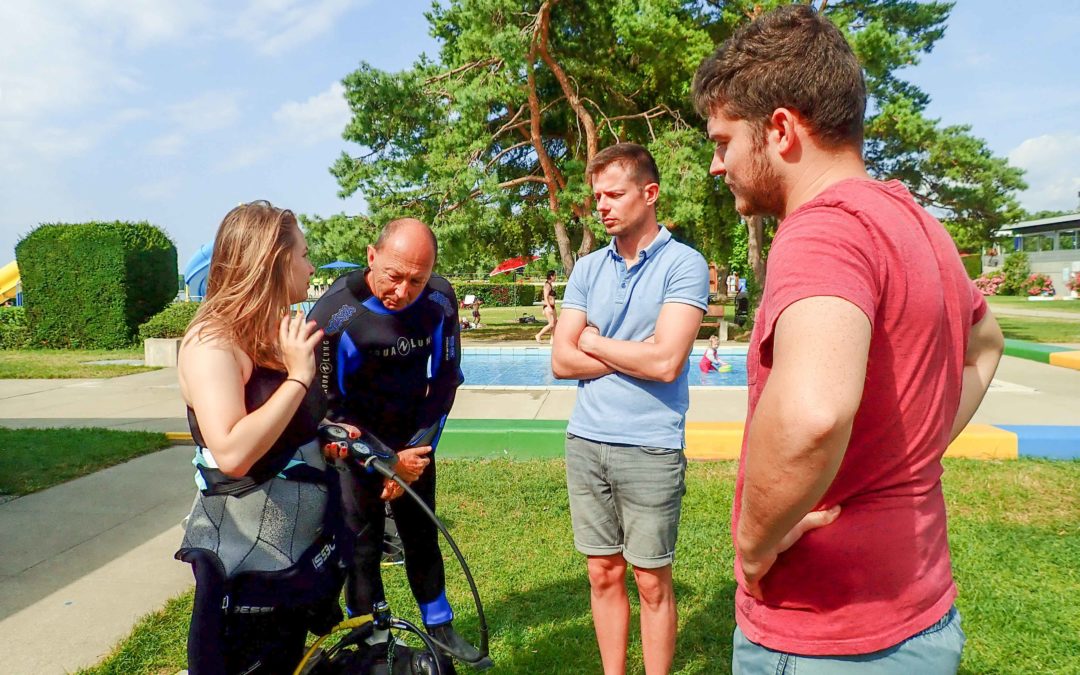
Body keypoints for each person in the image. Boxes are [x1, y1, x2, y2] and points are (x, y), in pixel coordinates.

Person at [691, 5, 1004, 673]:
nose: (718, 165)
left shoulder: (820, 230)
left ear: (780, 129)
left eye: (723, 142)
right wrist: (913, 451)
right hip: (923, 616)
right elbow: (987, 344)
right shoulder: (919, 224)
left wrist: (753, 544)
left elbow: (813, 414)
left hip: (825, 636)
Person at [551, 143, 709, 675]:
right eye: (597, 196)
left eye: (614, 194)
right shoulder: (588, 268)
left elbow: (665, 362)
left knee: (651, 579)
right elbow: (561, 360)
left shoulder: (684, 264)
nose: (602, 206)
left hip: (650, 444)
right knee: (602, 572)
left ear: (650, 193)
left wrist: (594, 342)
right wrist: (630, 353)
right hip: (586, 440)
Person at [308, 218, 486, 667]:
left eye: (417, 280)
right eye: (394, 276)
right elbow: (324, 407)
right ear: (372, 257)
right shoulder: (334, 314)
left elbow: (445, 382)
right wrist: (382, 460)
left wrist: (413, 454)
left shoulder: (439, 300)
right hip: (355, 446)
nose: (403, 291)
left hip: (413, 441)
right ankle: (371, 639)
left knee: (421, 534)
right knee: (362, 545)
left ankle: (441, 629)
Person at [175, 201, 342, 674]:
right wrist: (298, 377)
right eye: (304, 255)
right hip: (244, 562)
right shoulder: (213, 342)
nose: (311, 267)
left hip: (289, 557)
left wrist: (324, 433)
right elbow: (232, 452)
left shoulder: (267, 332)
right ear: (273, 261)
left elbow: (280, 424)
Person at [535, 270, 559, 342]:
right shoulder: (547, 285)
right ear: (551, 276)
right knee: (551, 324)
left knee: (555, 322)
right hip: (548, 307)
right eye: (555, 275)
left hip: (552, 307)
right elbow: (545, 297)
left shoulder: (550, 285)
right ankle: (538, 335)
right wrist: (549, 307)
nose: (556, 277)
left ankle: (552, 339)